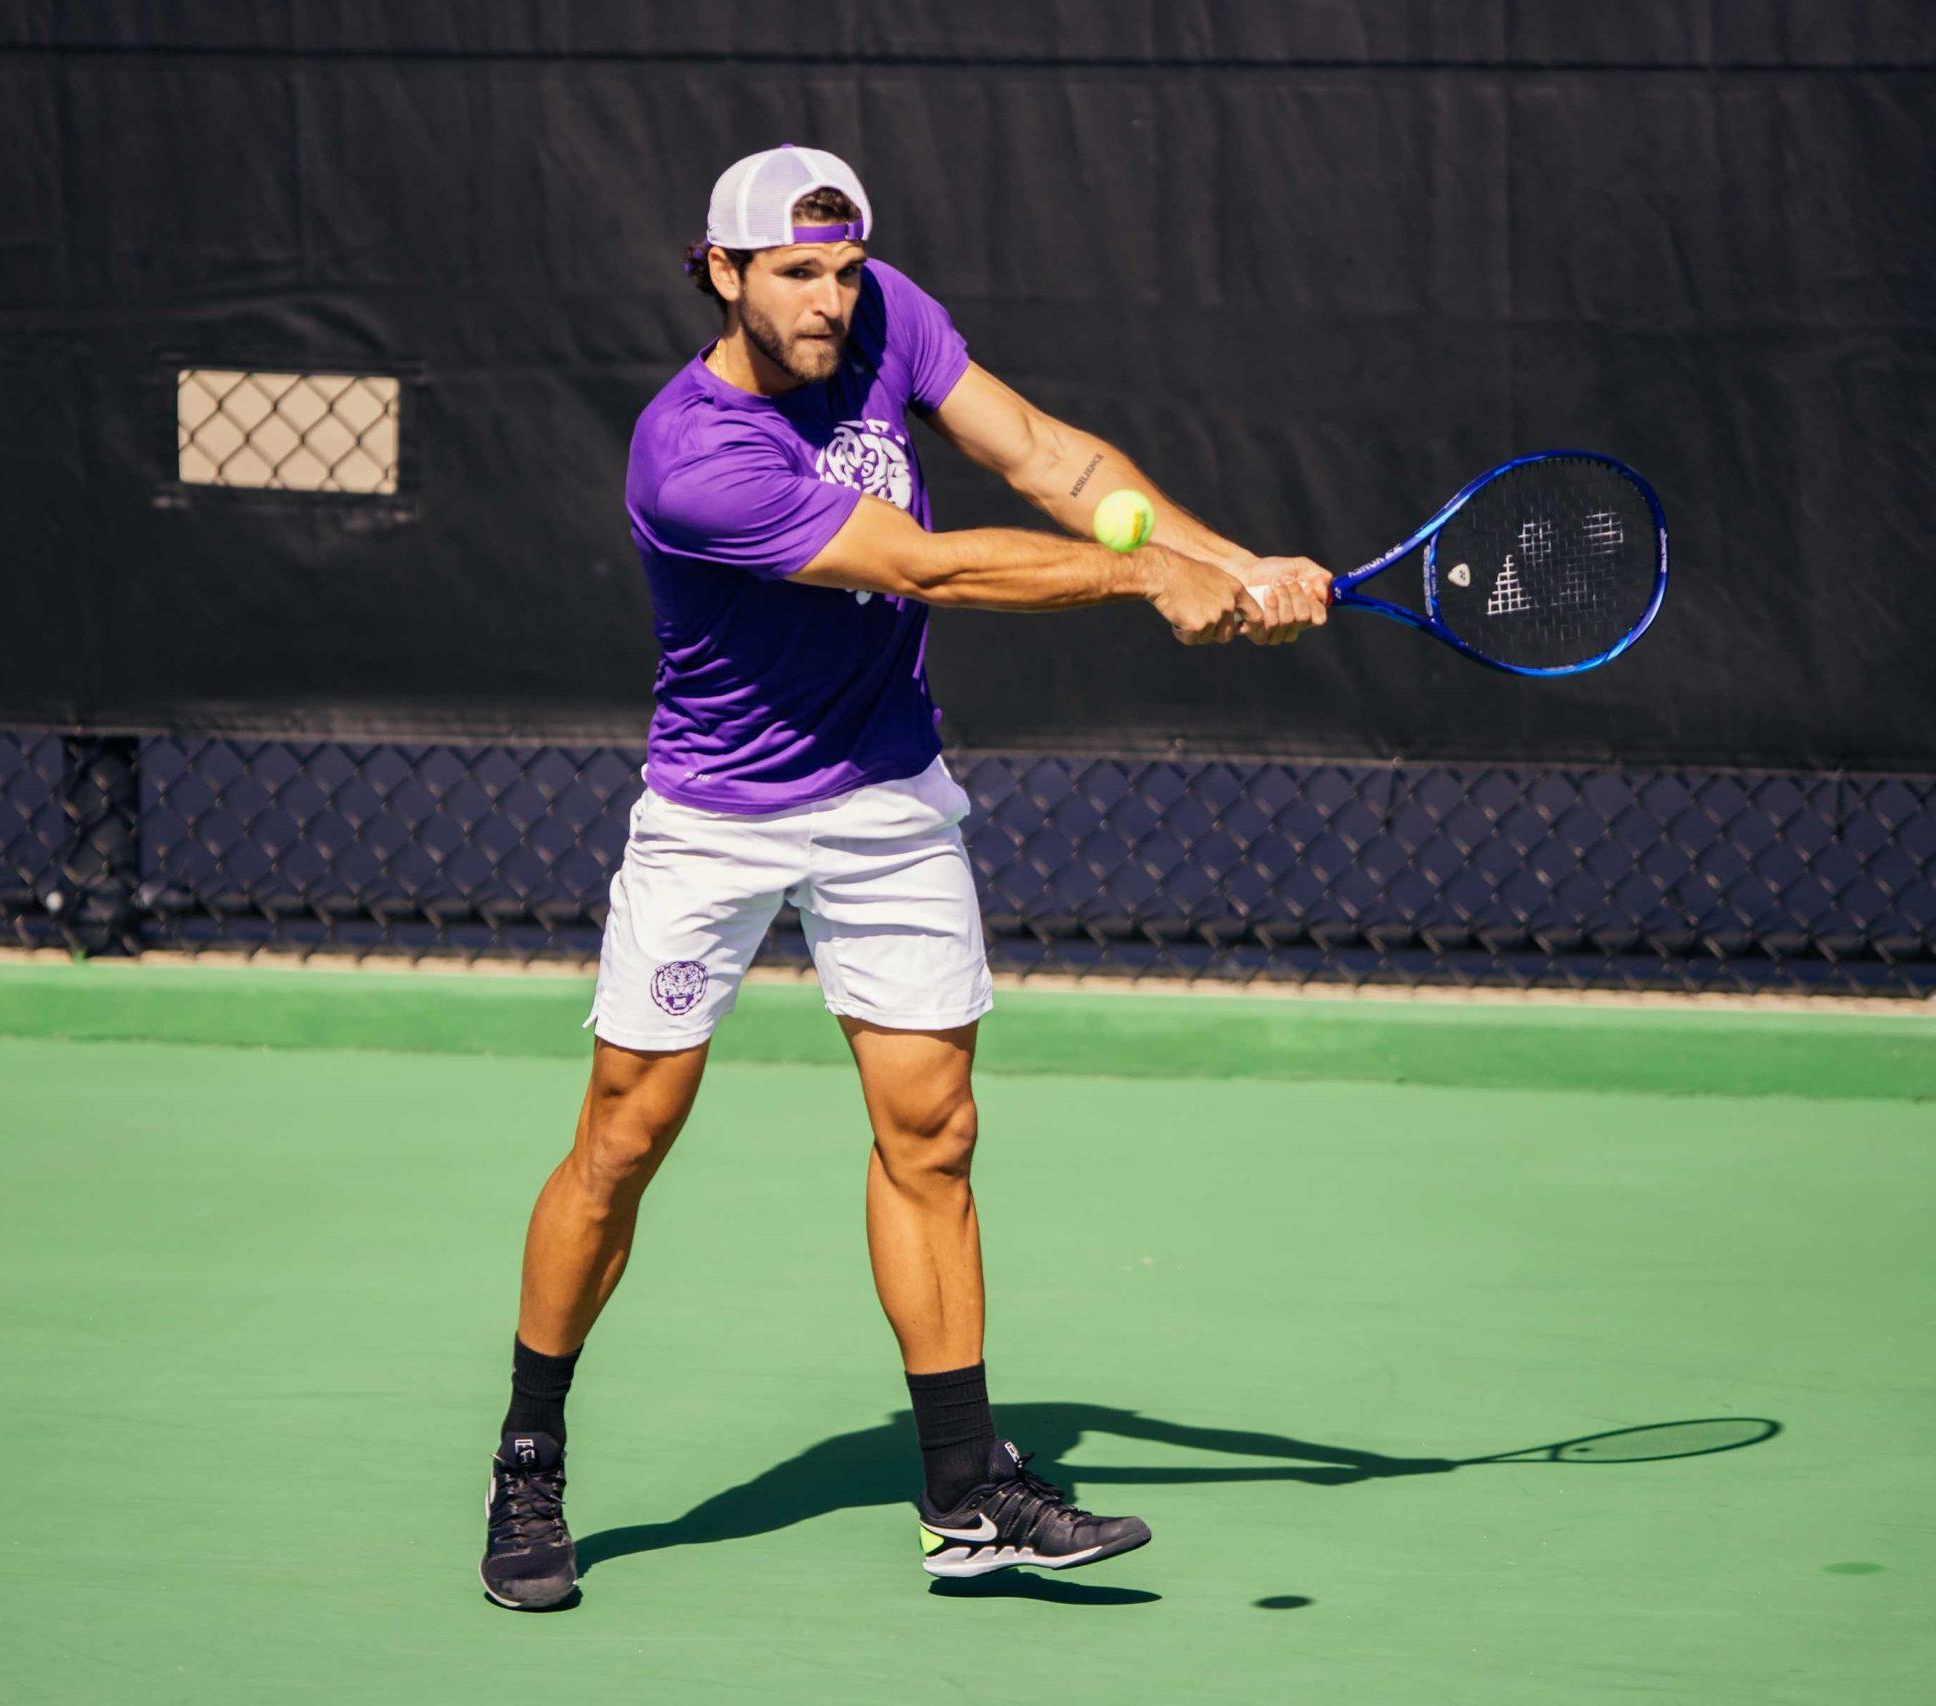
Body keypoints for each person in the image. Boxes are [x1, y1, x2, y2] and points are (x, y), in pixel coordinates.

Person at [482, 143, 1333, 1609]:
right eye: (794, 274)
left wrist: (1227, 558)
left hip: (886, 790)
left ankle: (965, 1489)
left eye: (843, 270)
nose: (828, 302)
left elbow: (1052, 459)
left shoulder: (885, 319)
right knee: (625, 1138)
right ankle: (528, 1458)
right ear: (723, 273)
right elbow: (927, 567)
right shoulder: (690, 455)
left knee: (931, 1130)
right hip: (719, 816)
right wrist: (1149, 581)